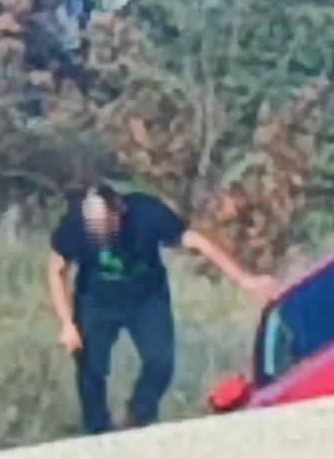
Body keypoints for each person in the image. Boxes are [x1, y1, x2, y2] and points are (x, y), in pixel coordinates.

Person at [46, 183, 280, 435]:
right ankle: (97, 431)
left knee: (160, 361)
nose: (99, 232)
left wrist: (245, 280)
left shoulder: (147, 214)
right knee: (90, 368)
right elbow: (56, 270)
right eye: (94, 226)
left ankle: (138, 415)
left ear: (120, 212)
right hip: (97, 301)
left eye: (105, 224)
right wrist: (67, 324)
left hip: (147, 297)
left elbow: (198, 242)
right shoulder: (76, 226)